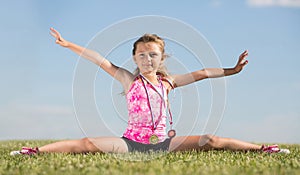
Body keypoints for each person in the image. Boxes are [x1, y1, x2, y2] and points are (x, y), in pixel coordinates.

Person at [10, 28, 289, 155]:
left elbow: (203, 74)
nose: (147, 59)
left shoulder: (169, 82)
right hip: (131, 143)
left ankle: (263, 149)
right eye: (142, 55)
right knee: (86, 144)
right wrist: (69, 44)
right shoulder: (128, 80)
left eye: (153, 55)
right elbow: (98, 59)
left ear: (161, 58)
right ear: (134, 58)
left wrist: (233, 70)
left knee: (211, 139)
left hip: (164, 144)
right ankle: (34, 151)